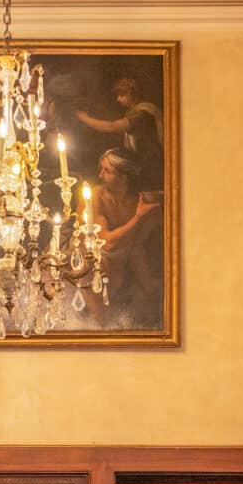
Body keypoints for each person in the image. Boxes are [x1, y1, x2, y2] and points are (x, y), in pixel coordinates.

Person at [87, 148, 163, 326]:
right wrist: (138, 218)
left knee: (150, 293)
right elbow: (105, 243)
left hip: (131, 258)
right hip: (94, 257)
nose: (100, 175)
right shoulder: (95, 197)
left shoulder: (142, 200)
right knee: (99, 274)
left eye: (107, 171)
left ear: (124, 177)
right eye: (101, 169)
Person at [72, 76, 163, 189]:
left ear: (131, 94)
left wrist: (84, 118)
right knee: (108, 156)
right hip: (138, 157)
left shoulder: (143, 114)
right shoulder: (134, 111)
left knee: (110, 159)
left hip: (147, 163)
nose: (118, 99)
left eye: (122, 95)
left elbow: (112, 126)